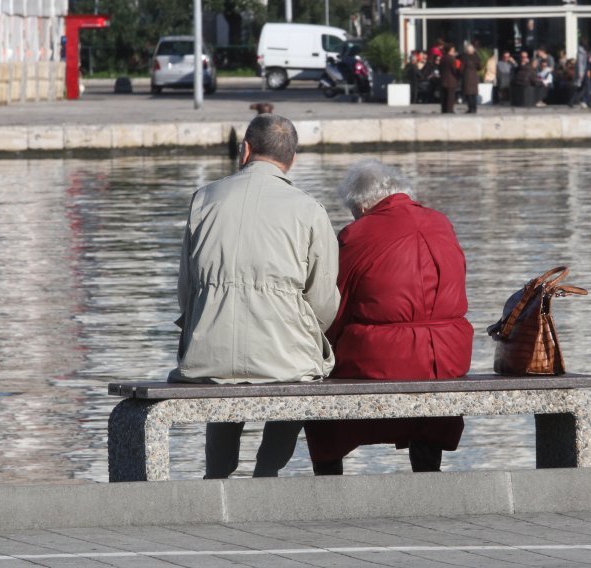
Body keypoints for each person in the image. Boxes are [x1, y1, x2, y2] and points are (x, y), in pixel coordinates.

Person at [170, 113, 340, 479]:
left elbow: (186, 290)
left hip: (207, 355)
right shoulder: (310, 210)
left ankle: (217, 474)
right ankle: (267, 472)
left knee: (220, 364)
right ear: (292, 158)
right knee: (298, 372)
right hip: (285, 356)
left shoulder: (203, 200)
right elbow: (324, 299)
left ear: (244, 150)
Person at [304, 159, 474, 475]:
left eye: (354, 212)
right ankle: (427, 472)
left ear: (365, 205)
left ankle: (328, 484)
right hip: (449, 358)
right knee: (427, 392)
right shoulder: (441, 222)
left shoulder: (359, 233)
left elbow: (333, 306)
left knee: (321, 395)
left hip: (383, 359)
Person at [460, 43, 482, 113]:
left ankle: (471, 108)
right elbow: (480, 67)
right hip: (474, 76)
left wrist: (460, 73)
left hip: (467, 76)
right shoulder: (476, 57)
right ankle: (474, 108)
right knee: (473, 93)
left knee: (469, 93)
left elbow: (462, 68)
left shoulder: (465, 57)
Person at [439, 43, 460, 113]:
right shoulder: (451, 59)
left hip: (443, 79)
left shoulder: (442, 58)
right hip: (451, 80)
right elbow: (454, 69)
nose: (454, 51)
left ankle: (444, 109)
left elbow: (440, 68)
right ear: (450, 50)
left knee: (444, 96)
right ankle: (449, 110)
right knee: (450, 96)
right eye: (453, 50)